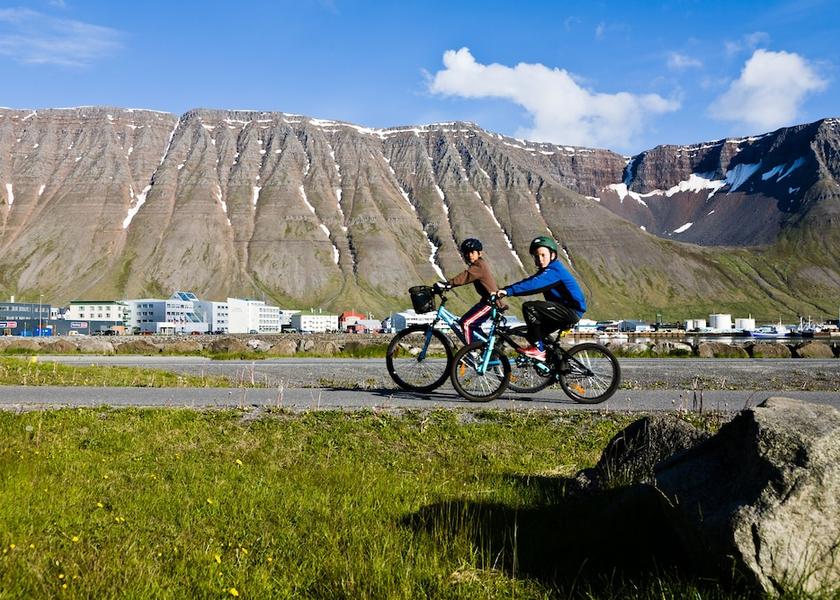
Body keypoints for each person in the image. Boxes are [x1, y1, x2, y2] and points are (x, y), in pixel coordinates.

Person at [496, 235, 586, 361]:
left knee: (529, 307)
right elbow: (529, 281)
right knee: (534, 334)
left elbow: (533, 285)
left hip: (571, 310)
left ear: (552, 255)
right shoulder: (546, 271)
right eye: (537, 256)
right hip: (563, 310)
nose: (540, 259)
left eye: (543, 255)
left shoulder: (555, 271)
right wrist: (506, 289)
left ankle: (539, 350)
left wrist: (508, 291)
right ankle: (556, 364)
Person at [435, 238, 505, 344]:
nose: (469, 255)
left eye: (472, 252)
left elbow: (466, 276)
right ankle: (486, 348)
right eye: (467, 253)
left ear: (479, 253)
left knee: (466, 323)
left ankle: (472, 350)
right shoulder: (478, 265)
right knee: (468, 323)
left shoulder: (479, 265)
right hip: (487, 302)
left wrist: (449, 284)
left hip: (491, 303)